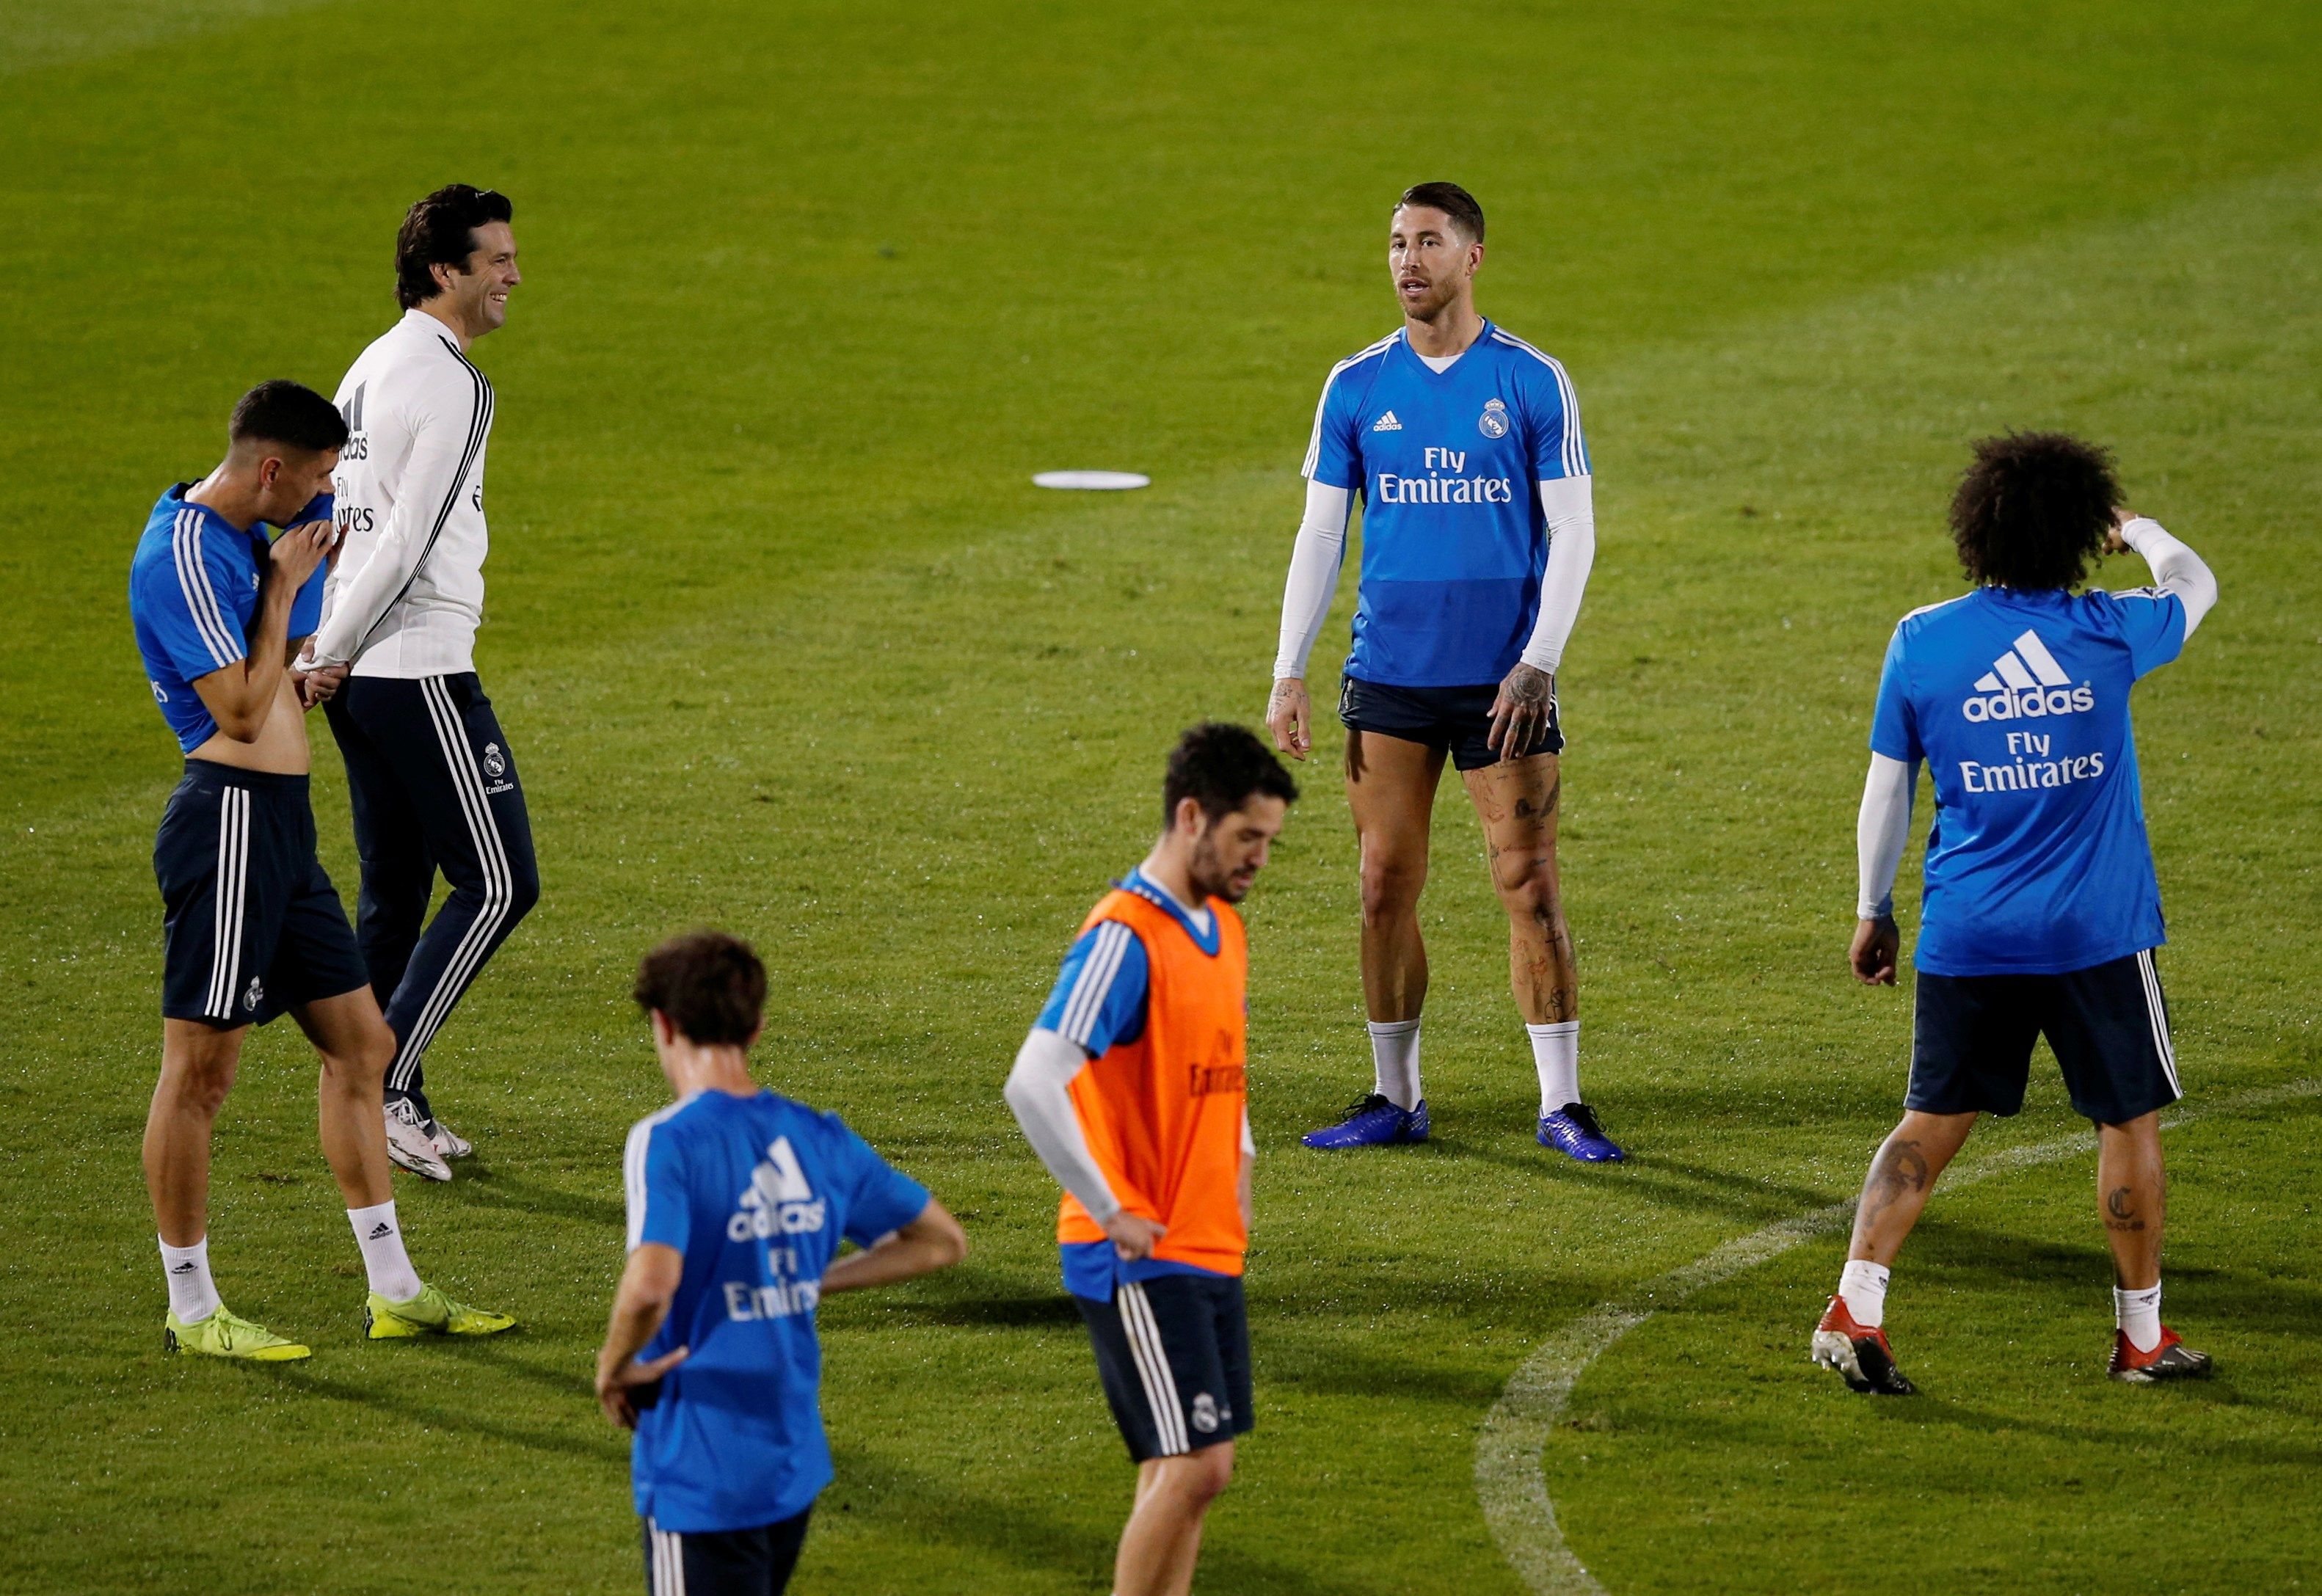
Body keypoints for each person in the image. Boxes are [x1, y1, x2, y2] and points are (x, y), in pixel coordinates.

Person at [1815, 432, 2220, 1394]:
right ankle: (2140, 1337)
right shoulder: (2109, 629)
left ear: (1975, 529)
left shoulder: (1922, 638)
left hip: (1970, 930)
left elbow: (1887, 791)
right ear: (2079, 532)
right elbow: (2197, 584)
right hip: (2098, 933)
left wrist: (1874, 908)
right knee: (2128, 1119)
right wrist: (2143, 529)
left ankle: (1854, 1303)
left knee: (1931, 1118)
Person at [129, 379, 516, 1360]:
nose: (319, 496)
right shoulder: (180, 554)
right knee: (202, 1073)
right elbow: (239, 713)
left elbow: (271, 679)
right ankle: (192, 1303)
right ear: (269, 468)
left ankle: (393, 1287)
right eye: (310, 477)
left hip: (284, 833)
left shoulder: (249, 528)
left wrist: (301, 657)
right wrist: (285, 599)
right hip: (226, 828)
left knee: (362, 1047)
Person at [1266, 181, 1620, 1162]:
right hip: (1389, 675)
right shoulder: (1355, 385)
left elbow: (1576, 527)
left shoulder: (1531, 381)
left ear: (1474, 257)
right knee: (1383, 882)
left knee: (1531, 882)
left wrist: (1539, 661)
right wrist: (1289, 669)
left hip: (1503, 683)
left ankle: (1562, 1101)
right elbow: (1322, 530)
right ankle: (1394, 1094)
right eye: (1393, 242)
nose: (1405, 259)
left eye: (1427, 241)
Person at [1003, 724, 1296, 1596]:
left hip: (1204, 1239)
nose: (1258, 860)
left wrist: (1240, 1155)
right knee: (1197, 1465)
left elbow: (1220, 1062)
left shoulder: (1221, 930)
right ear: (1190, 817)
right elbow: (1032, 1080)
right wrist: (1107, 1206)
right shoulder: (1123, 938)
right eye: (1247, 838)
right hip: (1136, 1250)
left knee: (1181, 1473)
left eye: (1269, 842)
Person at [598, 930, 967, 1595]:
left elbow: (652, 1283)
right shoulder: (819, 1136)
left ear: (663, 1023)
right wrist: (808, 1277)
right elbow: (941, 1240)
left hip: (701, 1469)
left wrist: (613, 1366)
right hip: (790, 1466)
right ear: (758, 1026)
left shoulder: (666, 1140)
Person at [310, 184, 539, 1180]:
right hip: (415, 663)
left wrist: (326, 642)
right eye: (496, 259)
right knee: (497, 881)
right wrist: (334, 645)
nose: (513, 275)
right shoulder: (451, 381)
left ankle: (357, 1099)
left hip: (361, 667)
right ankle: (384, 1080)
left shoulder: (371, 363)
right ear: (446, 270)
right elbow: (408, 535)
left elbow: (336, 517)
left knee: (394, 894)